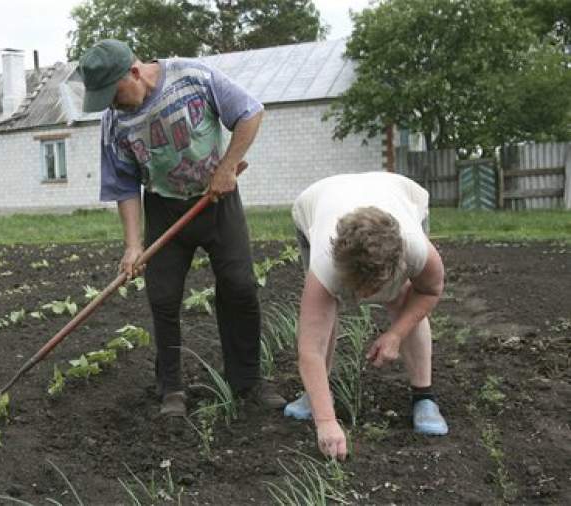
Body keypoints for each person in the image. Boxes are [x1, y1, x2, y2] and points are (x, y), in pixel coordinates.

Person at [77, 39, 286, 417]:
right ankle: (171, 388)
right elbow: (124, 186)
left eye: (114, 93)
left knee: (239, 286)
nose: (112, 104)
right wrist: (132, 245)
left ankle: (248, 382)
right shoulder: (114, 124)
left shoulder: (194, 76)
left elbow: (250, 113)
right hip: (164, 207)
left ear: (135, 72)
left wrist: (227, 167)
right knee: (163, 297)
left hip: (216, 199)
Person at [286, 171, 449, 460]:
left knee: (403, 299)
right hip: (318, 201)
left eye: (373, 287)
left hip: (399, 194)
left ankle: (424, 397)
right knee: (322, 313)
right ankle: (316, 398)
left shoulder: (416, 250)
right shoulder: (325, 265)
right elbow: (310, 348)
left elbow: (428, 292)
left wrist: (396, 334)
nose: (364, 297)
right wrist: (326, 422)